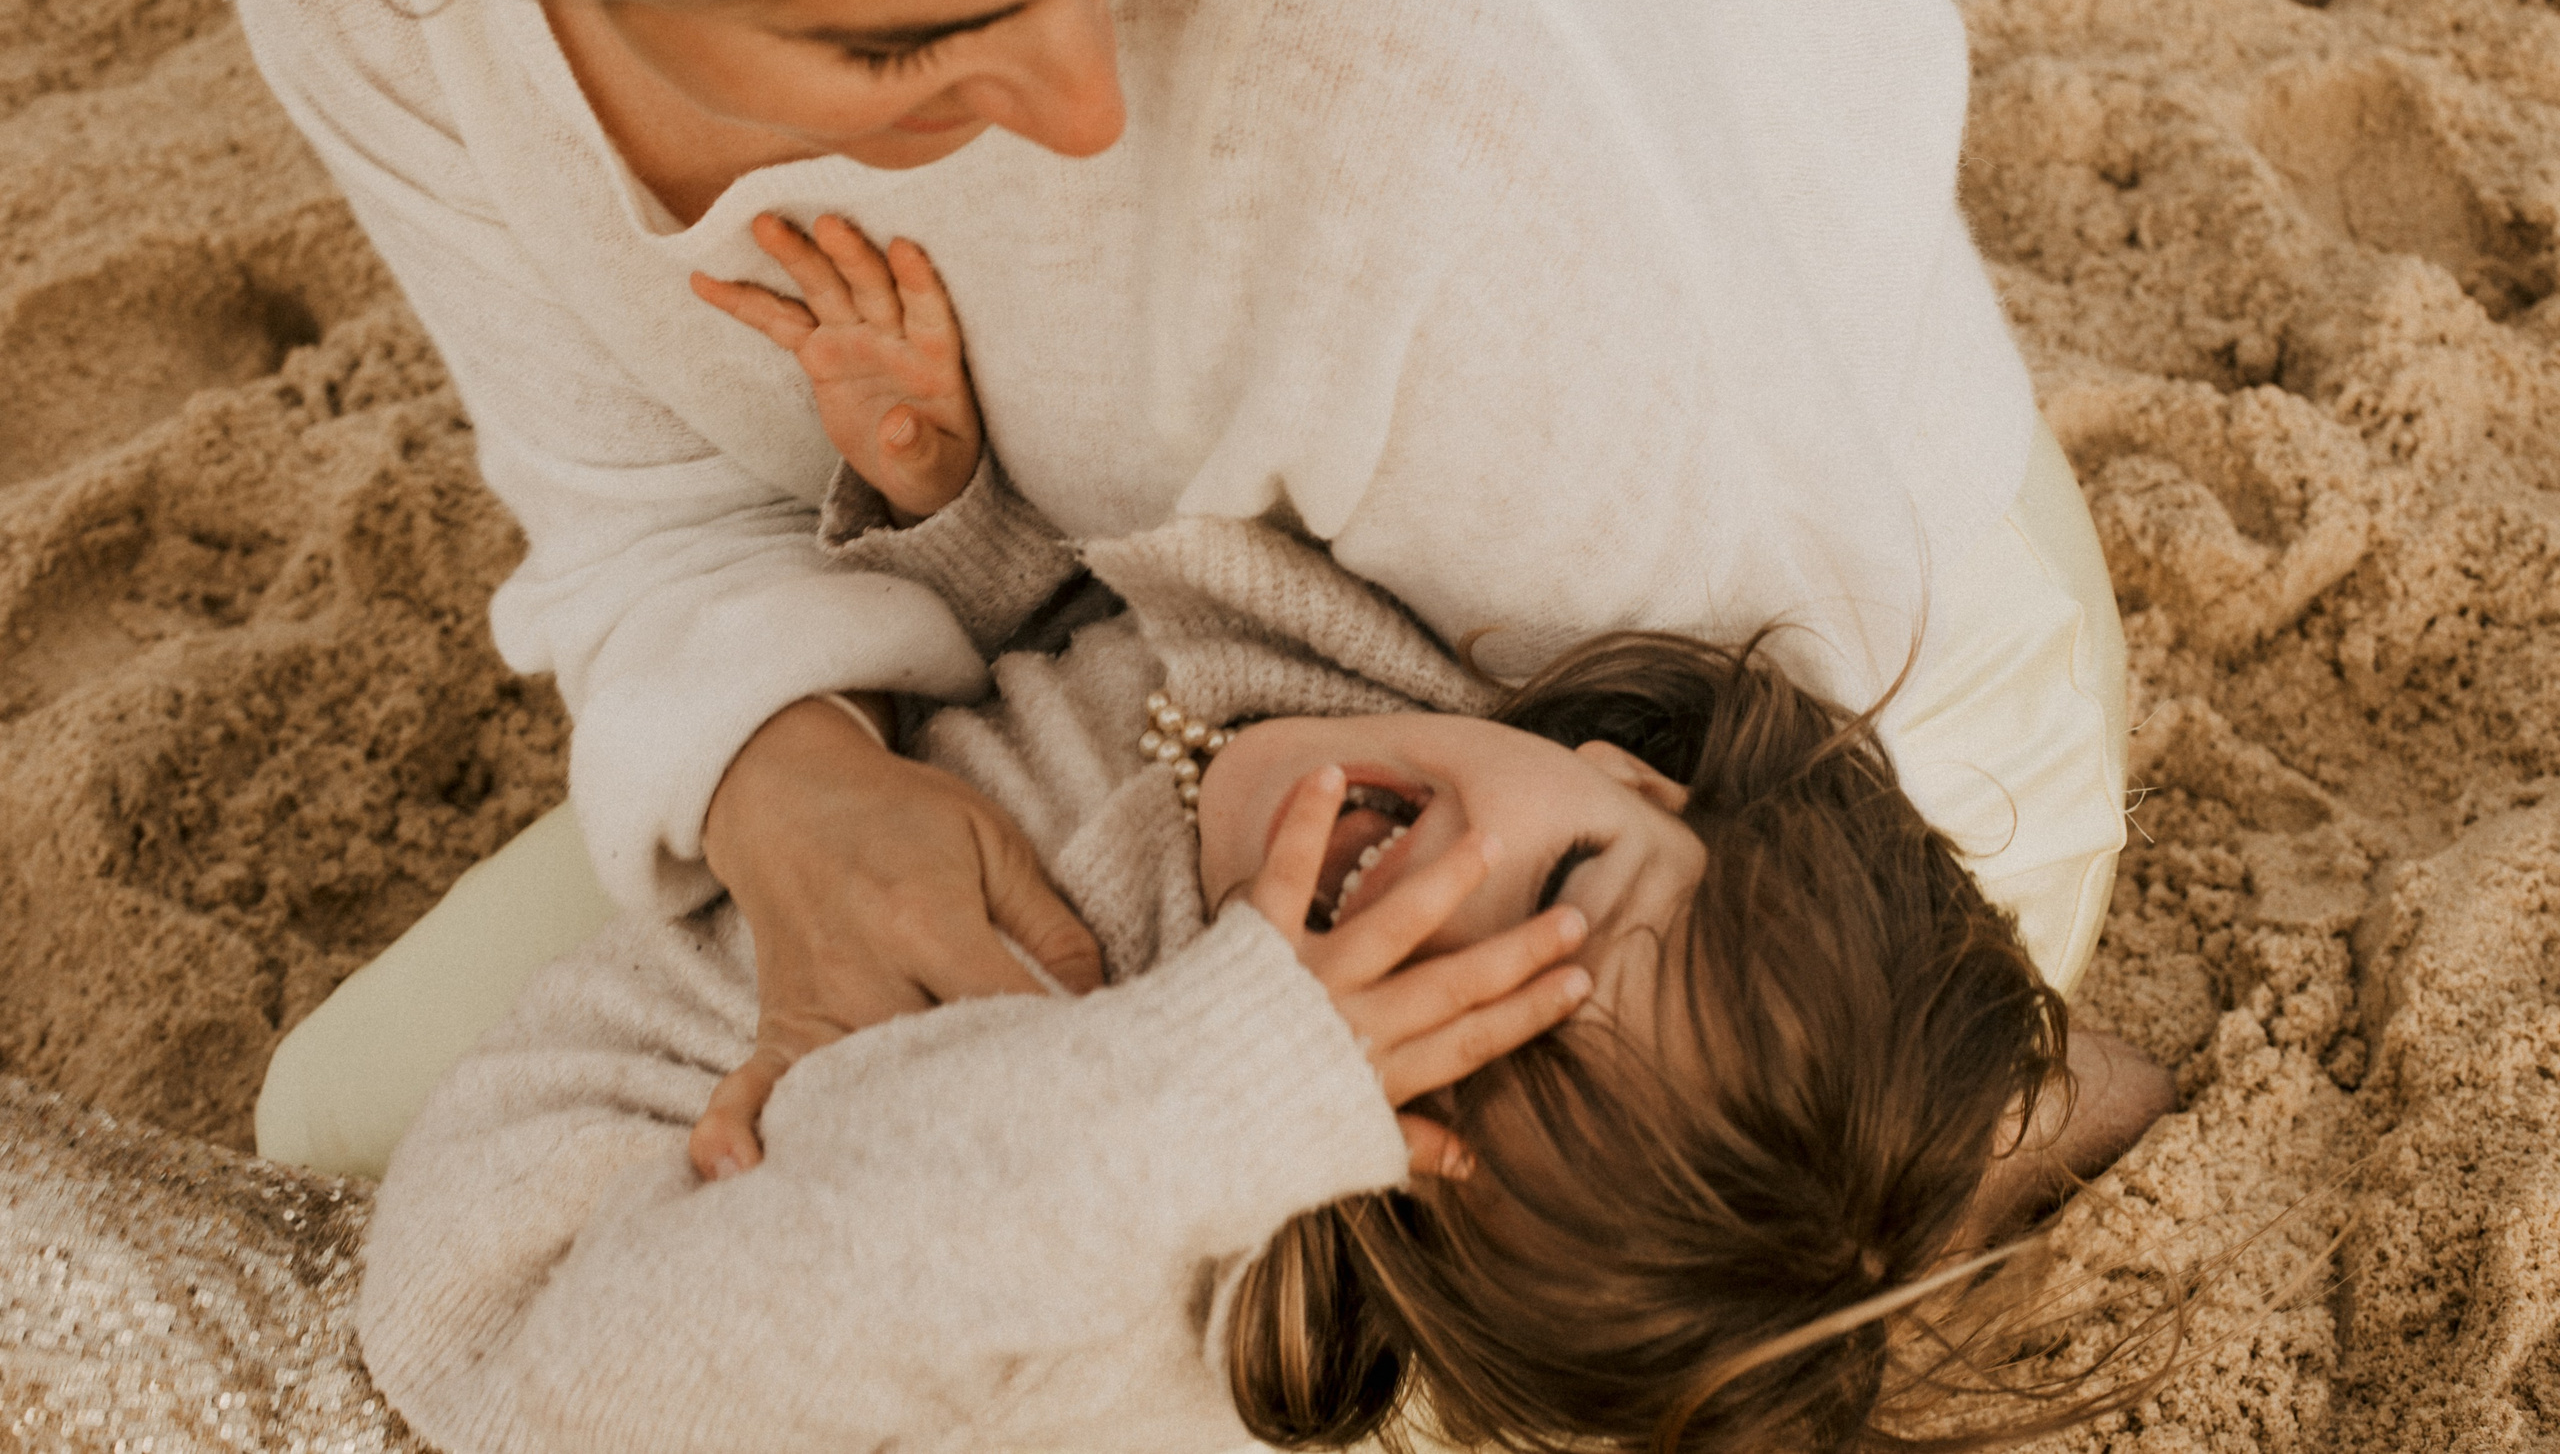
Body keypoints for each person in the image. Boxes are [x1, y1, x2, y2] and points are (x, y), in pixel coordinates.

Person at [221, 0, 2127, 1183]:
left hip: (1813, 760)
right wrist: (784, 784)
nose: (1083, 114)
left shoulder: (1432, 72)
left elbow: (1736, 788)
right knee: (348, 1141)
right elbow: (639, 507)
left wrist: (1184, 1103)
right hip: (1100, 686)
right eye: (912, 41)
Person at [358, 398, 2173, 1453]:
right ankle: (1993, 1122)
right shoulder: (1373, 664)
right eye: (1558, 891)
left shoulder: (1168, 1323)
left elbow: (504, 1377)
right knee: (1819, 1144)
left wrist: (1209, 1096)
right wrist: (943, 519)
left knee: (319, 1108)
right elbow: (1064, 634)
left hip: (556, 1235)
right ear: (1634, 775)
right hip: (824, 797)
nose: (1421, 918)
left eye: (1432, 1051)